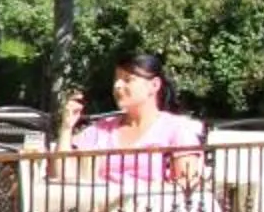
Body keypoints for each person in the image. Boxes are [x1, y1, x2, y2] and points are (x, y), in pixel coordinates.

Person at [59, 52, 207, 186]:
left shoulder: (176, 129)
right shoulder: (102, 129)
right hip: (101, 211)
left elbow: (187, 182)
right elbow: (61, 175)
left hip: (152, 211)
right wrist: (66, 128)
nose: (117, 86)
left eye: (128, 79)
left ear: (154, 85)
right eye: (116, 80)